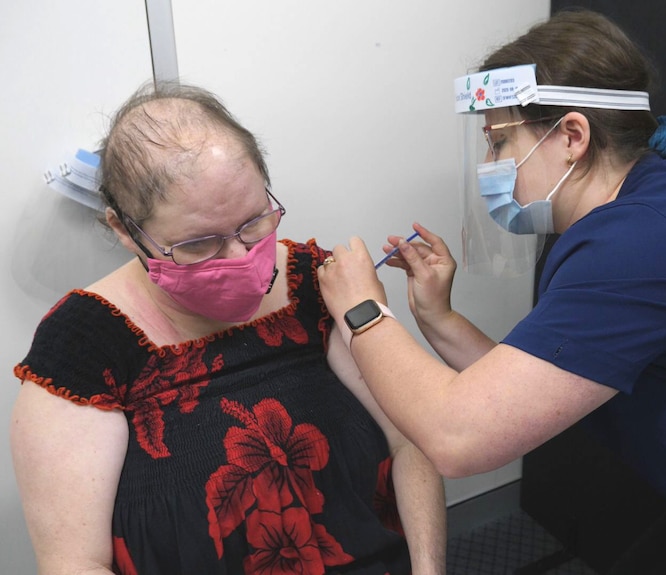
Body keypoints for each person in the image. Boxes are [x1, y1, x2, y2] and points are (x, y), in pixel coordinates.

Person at [316, 9, 666, 575]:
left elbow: (460, 439)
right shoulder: (642, 211)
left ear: (572, 136)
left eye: (500, 143)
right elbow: (533, 395)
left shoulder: (641, 244)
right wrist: (437, 316)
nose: (489, 167)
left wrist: (363, 311)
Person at [10, 83, 445, 575]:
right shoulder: (83, 347)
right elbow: (74, 564)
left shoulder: (319, 284)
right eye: (199, 244)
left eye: (255, 222)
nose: (241, 259)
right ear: (124, 230)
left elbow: (410, 440)